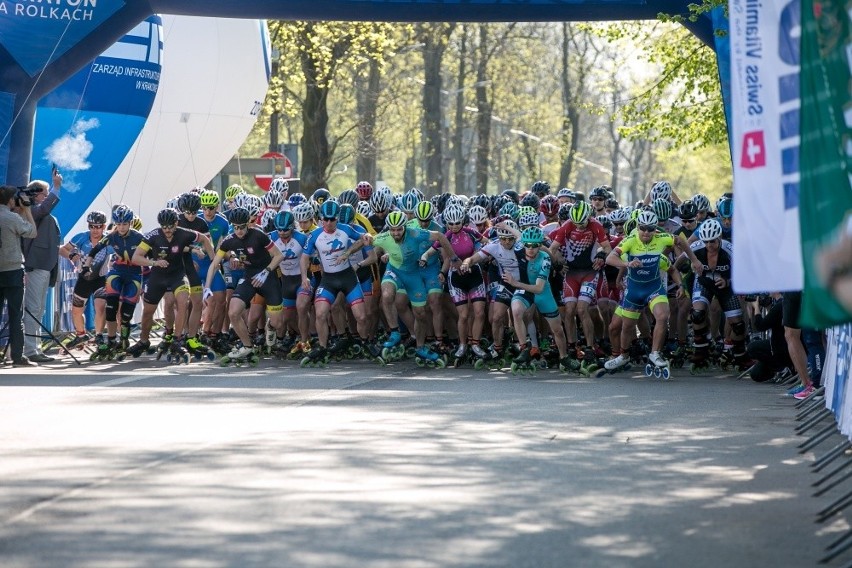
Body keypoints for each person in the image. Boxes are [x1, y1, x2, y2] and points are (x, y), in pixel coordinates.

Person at [21, 169, 62, 362]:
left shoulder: (37, 211)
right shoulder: (28, 210)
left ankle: (34, 348)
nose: (47, 197)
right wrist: (56, 188)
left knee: (38, 309)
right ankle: (30, 349)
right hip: (35, 265)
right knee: (33, 307)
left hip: (45, 265)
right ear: (36, 194)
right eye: (44, 194)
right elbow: (44, 208)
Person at [0, 185, 38, 365]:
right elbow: (32, 232)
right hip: (13, 270)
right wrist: (27, 210)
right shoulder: (12, 217)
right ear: (10, 200)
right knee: (16, 314)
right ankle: (17, 355)